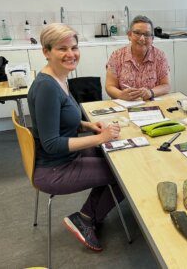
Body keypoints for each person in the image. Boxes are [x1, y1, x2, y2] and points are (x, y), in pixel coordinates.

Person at [28, 23, 123, 252]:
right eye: (62, 48)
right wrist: (100, 138)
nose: (71, 54)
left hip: (63, 158)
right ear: (46, 52)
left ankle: (88, 215)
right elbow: (52, 144)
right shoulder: (47, 87)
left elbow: (60, 118)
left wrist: (89, 124)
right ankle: (87, 218)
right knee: (123, 176)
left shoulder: (59, 77)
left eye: (74, 47)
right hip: (54, 168)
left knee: (115, 157)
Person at [106, 15, 170, 101]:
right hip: (125, 104)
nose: (142, 38)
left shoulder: (160, 56)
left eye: (147, 34)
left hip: (152, 105)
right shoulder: (117, 56)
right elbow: (110, 86)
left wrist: (151, 92)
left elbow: (166, 86)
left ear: (152, 39)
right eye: (137, 33)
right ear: (129, 35)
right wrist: (121, 95)